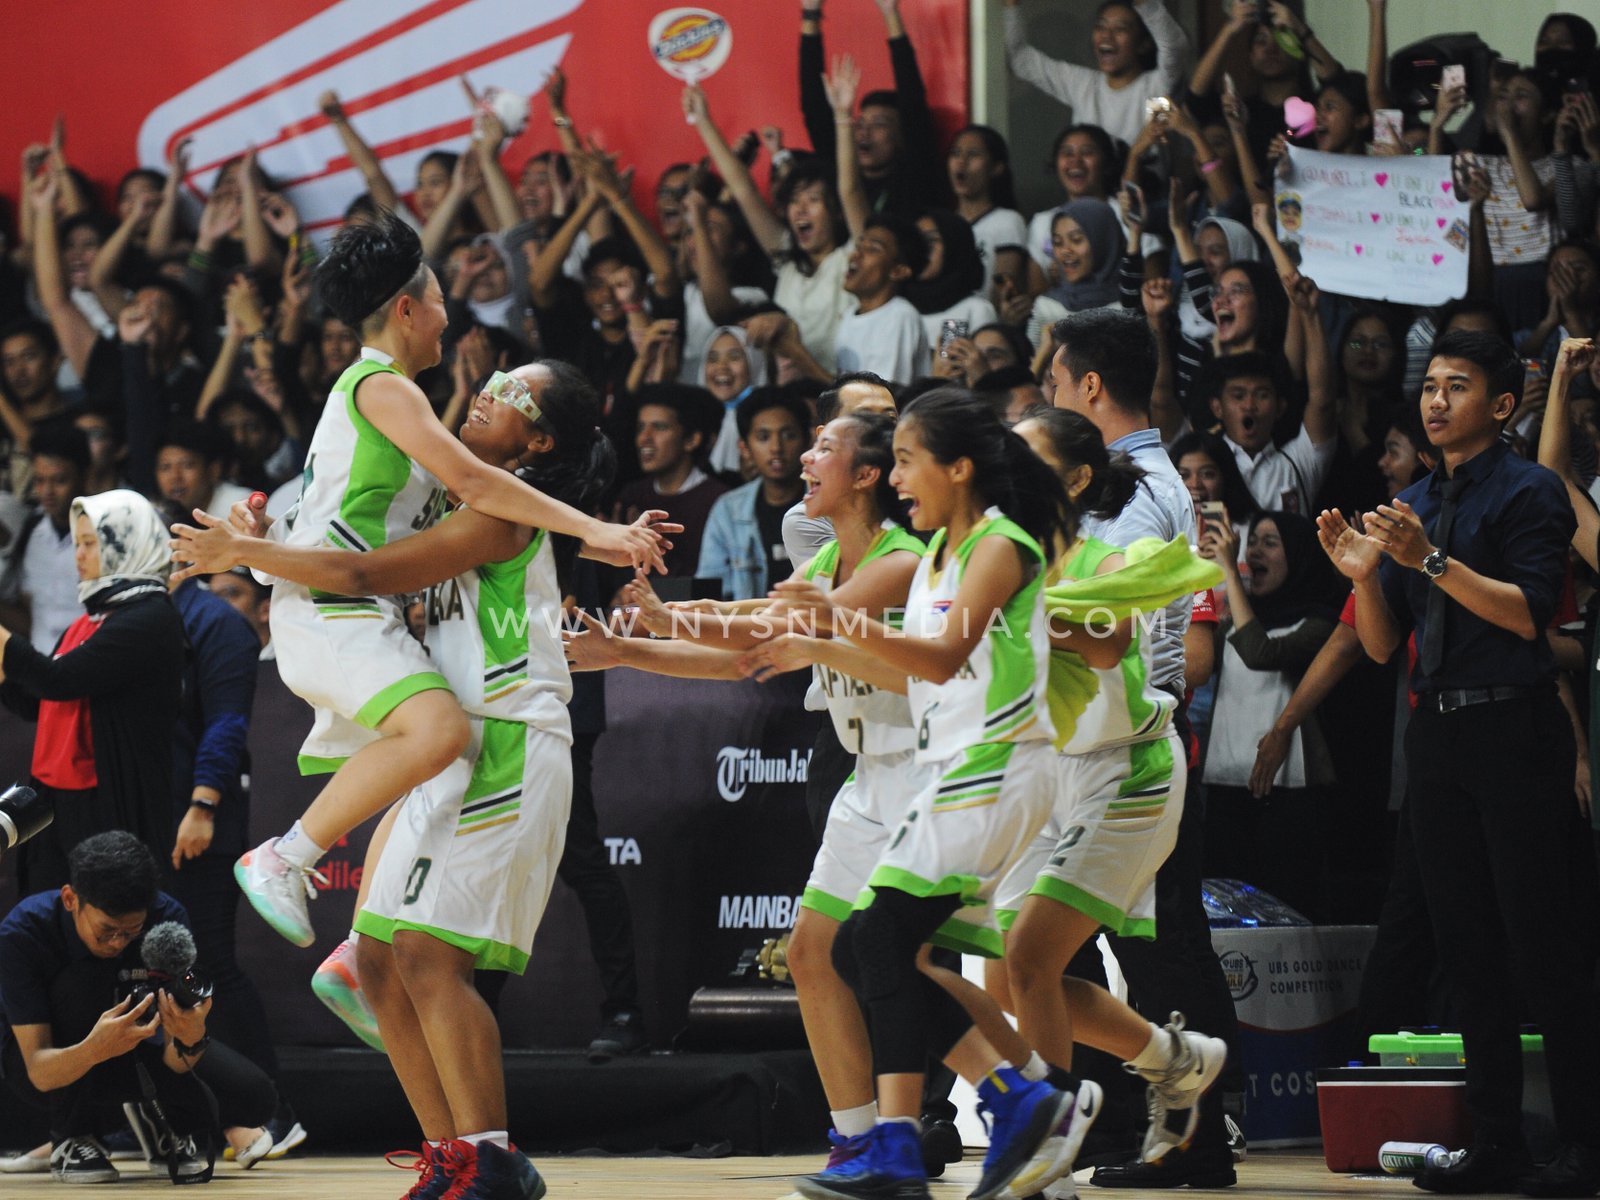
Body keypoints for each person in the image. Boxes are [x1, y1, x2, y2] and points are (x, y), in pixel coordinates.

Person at [172, 360, 634, 1199]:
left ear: (539, 443)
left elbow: (362, 575)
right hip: (455, 746)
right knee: (378, 963)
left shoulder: (502, 511)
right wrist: (274, 537)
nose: (487, 390)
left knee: (426, 954)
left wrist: (245, 553)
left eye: (513, 393)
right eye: (493, 377)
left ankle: (494, 1160)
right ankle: (449, 1155)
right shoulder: (459, 498)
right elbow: (345, 539)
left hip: (508, 738)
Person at [230, 209, 663, 951]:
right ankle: (286, 856)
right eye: (438, 302)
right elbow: (475, 489)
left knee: (440, 764)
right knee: (441, 734)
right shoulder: (385, 388)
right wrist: (597, 530)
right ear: (406, 310)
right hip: (338, 604)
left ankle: (358, 950)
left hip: (353, 606)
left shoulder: (397, 401)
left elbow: (460, 514)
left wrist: (260, 541)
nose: (448, 318)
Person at [752, 388, 1096, 1200]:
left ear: (959, 467)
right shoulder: (945, 550)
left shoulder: (1001, 545)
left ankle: (974, 1116)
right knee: (860, 948)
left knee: (875, 942)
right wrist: (817, 641)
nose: (899, 478)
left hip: (997, 765)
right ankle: (993, 1107)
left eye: (908, 461)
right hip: (957, 769)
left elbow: (942, 658)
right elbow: (899, 665)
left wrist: (835, 623)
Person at [1318, 330, 1600, 1196]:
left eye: (1458, 386)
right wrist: (1365, 578)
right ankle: (1496, 1142)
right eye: (1431, 385)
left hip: (1515, 729)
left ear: (1503, 404)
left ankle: (1586, 1146)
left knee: (1544, 945)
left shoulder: (1530, 489)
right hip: (1436, 737)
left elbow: (1527, 614)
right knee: (1466, 947)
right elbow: (1380, 647)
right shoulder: (1410, 502)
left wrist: (1427, 560)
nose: (1435, 400)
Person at [991, 406, 1228, 1179]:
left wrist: (1019, 613)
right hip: (1045, 774)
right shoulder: (999, 556)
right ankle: (1173, 1058)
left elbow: (1109, 641)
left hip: (1126, 771)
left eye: (1026, 455)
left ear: (1076, 479)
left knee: (1033, 958)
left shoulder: (1107, 555)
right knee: (1006, 974)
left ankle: (1046, 1154)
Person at [1048, 308, 1241, 1187]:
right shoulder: (1134, 479)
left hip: (1131, 743)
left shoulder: (1131, 488)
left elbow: (1107, 618)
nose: (1050, 398)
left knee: (1160, 949)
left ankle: (1199, 1136)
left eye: (1056, 383)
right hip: (1099, 739)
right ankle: (1134, 1125)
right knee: (1076, 948)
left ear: (1091, 386)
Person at [0, 832, 277, 1183]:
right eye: (106, 931)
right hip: (50, 1063)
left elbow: (173, 1062)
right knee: (80, 983)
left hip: (138, 1050)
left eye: (131, 932)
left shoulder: (167, 919)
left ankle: (153, 1119)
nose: (118, 942)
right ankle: (72, 1137)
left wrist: (189, 1037)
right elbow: (39, 1072)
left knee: (254, 1097)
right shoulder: (24, 932)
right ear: (71, 899)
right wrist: (94, 1048)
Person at [0, 490, 185, 896]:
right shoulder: (89, 622)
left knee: (105, 917)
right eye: (77, 543)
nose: (78, 556)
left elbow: (57, 680)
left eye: (90, 543)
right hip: (52, 804)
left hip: (106, 810)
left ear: (127, 544)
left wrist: (5, 644)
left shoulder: (150, 619)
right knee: (45, 920)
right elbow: (36, 702)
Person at [1200, 512, 1346, 920]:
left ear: (1297, 555)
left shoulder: (1320, 621)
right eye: (1252, 542)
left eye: (1270, 542)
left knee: (1289, 902)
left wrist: (1230, 572)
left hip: (1291, 791)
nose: (1254, 552)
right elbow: (1198, 660)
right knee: (1224, 904)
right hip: (1227, 784)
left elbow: (1261, 653)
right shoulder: (1237, 620)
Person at [1003, 0, 1191, 149]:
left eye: (1120, 28)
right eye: (1100, 26)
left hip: (1145, 188)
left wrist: (1145, 4)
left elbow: (1175, 47)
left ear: (1143, 44)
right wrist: (1011, 5)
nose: (1106, 36)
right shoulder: (1083, 84)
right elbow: (1020, 59)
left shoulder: (1157, 86)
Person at [698, 389, 809, 600]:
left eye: (788, 435)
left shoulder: (829, 502)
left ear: (807, 441)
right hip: (747, 620)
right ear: (744, 448)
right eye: (763, 437)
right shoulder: (728, 510)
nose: (776, 448)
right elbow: (709, 591)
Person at [613, 385, 727, 577]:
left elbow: (712, 582)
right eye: (640, 427)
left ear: (691, 440)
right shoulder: (632, 496)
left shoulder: (718, 501)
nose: (644, 438)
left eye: (659, 427)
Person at [0, 424, 90, 656]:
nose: (47, 491)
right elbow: (31, 621)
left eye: (59, 480)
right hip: (41, 667)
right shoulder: (30, 533)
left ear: (84, 477)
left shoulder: (108, 534)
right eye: (40, 480)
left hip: (90, 666)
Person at [834, 214, 931, 384]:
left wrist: (799, 355)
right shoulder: (850, 315)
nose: (855, 255)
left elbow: (880, 395)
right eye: (858, 246)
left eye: (872, 249)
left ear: (898, 271)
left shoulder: (900, 316)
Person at [155, 422, 252, 523]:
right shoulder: (157, 514)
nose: (175, 477)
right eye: (165, 467)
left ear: (213, 471)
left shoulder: (239, 505)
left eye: (187, 465)